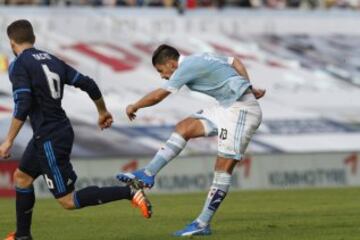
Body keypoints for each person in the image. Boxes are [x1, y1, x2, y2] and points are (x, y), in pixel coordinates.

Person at [0, 19, 152, 240]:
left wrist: (8, 141)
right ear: (34, 39)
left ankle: (129, 192)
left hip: (49, 137)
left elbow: (22, 103)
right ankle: (23, 236)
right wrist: (102, 111)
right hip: (54, 131)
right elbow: (88, 83)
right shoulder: (52, 60)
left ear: (12, 43)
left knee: (67, 201)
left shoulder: (18, 65)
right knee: (22, 177)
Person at [117, 44, 265, 236]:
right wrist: (248, 86)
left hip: (242, 111)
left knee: (223, 168)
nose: (162, 76)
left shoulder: (185, 67)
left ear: (171, 63)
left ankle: (202, 223)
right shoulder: (201, 57)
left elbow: (159, 95)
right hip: (227, 107)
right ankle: (148, 172)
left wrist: (135, 106)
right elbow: (235, 61)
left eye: (161, 71)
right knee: (184, 127)